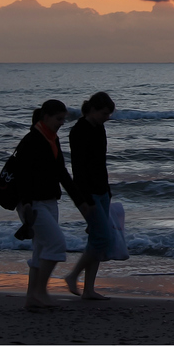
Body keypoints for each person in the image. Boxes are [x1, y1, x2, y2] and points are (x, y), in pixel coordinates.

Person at [15, 99, 94, 309]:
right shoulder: (31, 140)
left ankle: (32, 296)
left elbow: (62, 175)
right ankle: (41, 292)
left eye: (64, 120)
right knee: (56, 243)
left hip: (50, 201)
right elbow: (22, 175)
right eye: (59, 119)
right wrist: (27, 204)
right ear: (46, 117)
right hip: (32, 204)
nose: (61, 123)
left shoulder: (52, 140)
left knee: (41, 249)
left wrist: (81, 204)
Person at [64, 92, 116, 300]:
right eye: (105, 113)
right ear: (93, 110)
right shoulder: (78, 131)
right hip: (89, 193)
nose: (107, 118)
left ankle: (88, 289)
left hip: (102, 190)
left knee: (95, 239)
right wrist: (85, 200)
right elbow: (79, 169)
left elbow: (101, 163)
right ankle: (72, 275)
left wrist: (108, 192)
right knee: (102, 238)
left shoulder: (99, 128)